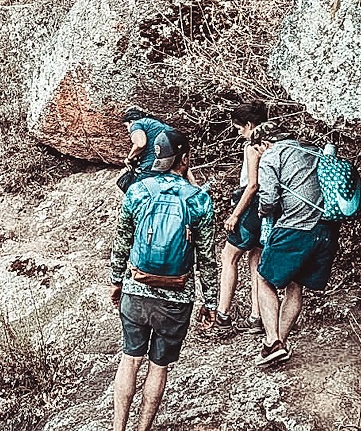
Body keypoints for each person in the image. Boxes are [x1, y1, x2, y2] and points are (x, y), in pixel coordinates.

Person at [110, 129, 217, 431]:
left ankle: (118, 428)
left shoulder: (138, 191)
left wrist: (117, 280)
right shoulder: (199, 201)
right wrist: (210, 301)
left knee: (130, 359)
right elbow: (206, 257)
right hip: (177, 297)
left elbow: (122, 241)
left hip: (136, 289)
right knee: (158, 365)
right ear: (185, 158)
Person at [254, 119, 341, 364]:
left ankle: (272, 341)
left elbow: (269, 200)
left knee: (264, 278)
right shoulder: (313, 150)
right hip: (326, 230)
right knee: (295, 284)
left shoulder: (272, 155)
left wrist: (262, 212)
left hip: (295, 228)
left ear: (265, 142)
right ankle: (279, 343)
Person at [214, 102, 268, 334]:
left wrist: (235, 214)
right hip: (268, 207)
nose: (239, 133)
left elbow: (252, 184)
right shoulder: (273, 144)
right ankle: (256, 317)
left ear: (248, 125)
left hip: (250, 206)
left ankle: (222, 316)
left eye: (239, 129)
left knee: (229, 257)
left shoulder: (252, 147)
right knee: (255, 258)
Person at [121, 106, 197, 185]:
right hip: (171, 166)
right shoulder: (161, 125)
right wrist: (194, 184)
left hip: (152, 167)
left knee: (130, 186)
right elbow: (182, 159)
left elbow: (140, 144)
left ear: (130, 121)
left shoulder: (137, 124)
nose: (127, 129)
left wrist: (129, 158)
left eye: (126, 126)